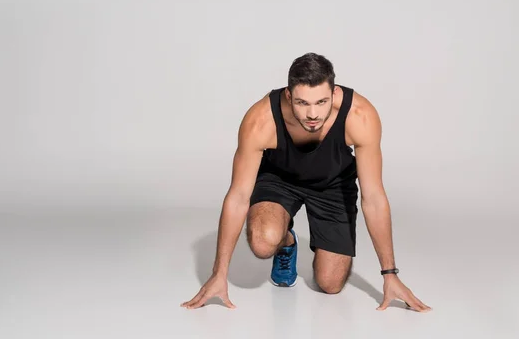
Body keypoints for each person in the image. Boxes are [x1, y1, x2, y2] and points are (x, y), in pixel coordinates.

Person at [181, 53, 431, 312]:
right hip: (280, 179)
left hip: (333, 185)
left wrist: (389, 274)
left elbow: (374, 198)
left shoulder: (360, 116)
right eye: (302, 103)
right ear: (288, 96)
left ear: (334, 94)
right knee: (263, 241)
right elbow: (238, 196)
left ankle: (311, 244)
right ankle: (285, 241)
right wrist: (219, 273)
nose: (312, 114)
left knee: (331, 284)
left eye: (321, 102)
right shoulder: (260, 121)